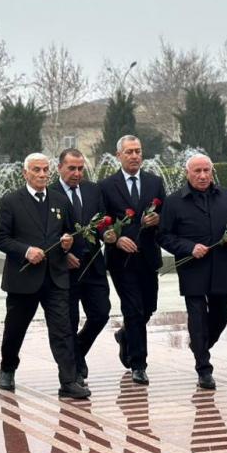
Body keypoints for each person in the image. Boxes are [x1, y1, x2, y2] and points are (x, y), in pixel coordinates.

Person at [0, 152, 88, 399]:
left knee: (62, 330)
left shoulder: (59, 200)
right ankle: (8, 368)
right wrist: (26, 251)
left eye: (46, 170)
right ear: (25, 173)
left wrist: (67, 243)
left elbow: (71, 232)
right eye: (37, 170)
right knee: (15, 329)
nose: (42, 174)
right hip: (23, 279)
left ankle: (68, 381)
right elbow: (0, 238)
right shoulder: (11, 201)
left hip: (55, 277)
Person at [158, 154, 227, 389]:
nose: (203, 175)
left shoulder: (226, 195)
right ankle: (204, 369)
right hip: (192, 268)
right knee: (197, 318)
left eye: (207, 170)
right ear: (188, 173)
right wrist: (189, 248)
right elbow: (164, 236)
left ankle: (199, 346)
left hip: (222, 266)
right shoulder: (174, 201)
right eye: (197, 171)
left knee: (222, 314)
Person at [99, 135, 165, 385]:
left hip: (148, 256)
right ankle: (138, 364)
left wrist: (158, 219)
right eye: (129, 152)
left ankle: (125, 335)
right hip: (121, 261)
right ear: (119, 155)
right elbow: (101, 222)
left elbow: (166, 214)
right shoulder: (106, 186)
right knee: (133, 309)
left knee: (148, 308)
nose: (135, 156)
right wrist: (115, 239)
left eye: (138, 151)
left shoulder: (155, 182)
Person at [49, 148, 110, 386]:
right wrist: (62, 255)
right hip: (65, 270)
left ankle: (77, 352)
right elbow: (46, 233)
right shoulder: (50, 193)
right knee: (69, 321)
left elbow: (101, 222)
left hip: (94, 265)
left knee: (101, 313)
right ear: (59, 168)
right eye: (72, 168)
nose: (77, 173)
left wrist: (109, 233)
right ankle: (72, 370)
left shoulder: (93, 190)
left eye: (80, 168)